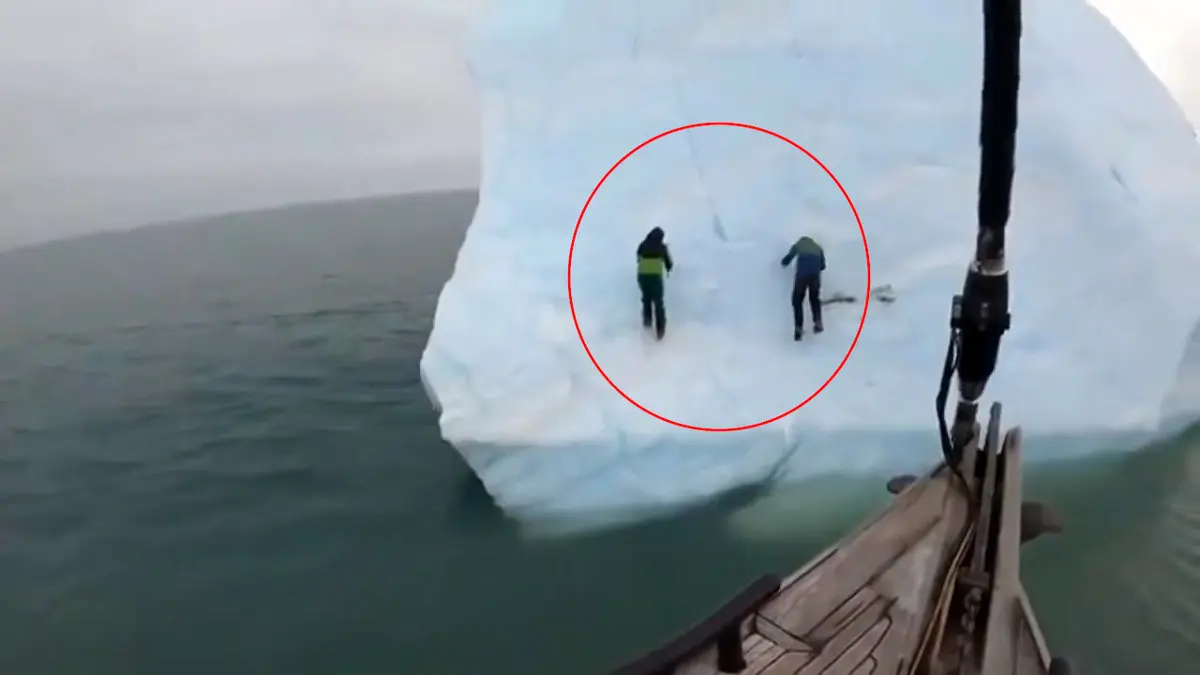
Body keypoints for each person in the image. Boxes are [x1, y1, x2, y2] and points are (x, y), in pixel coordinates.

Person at [780, 235, 825, 341]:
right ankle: (818, 323)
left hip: (802, 276)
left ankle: (798, 329)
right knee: (814, 299)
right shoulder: (818, 247)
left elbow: (788, 258)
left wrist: (783, 263)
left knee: (797, 301)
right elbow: (823, 266)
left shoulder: (799, 245)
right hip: (815, 277)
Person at [636, 227, 673, 340]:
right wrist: (668, 267)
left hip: (643, 277)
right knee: (658, 303)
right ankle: (660, 330)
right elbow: (669, 264)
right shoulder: (661, 247)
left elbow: (638, 257)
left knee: (646, 300)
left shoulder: (643, 245)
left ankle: (647, 323)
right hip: (655, 278)